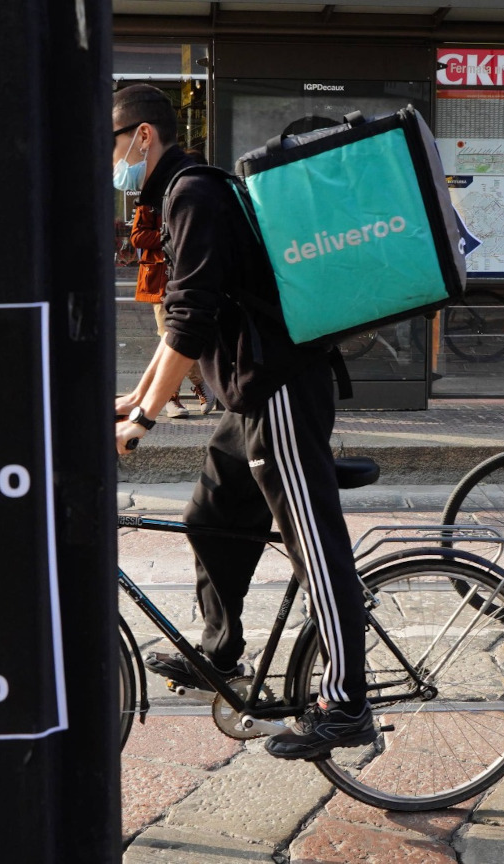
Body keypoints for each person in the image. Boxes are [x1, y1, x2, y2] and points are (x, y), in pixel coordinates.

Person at [110, 84, 375, 760]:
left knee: (317, 548)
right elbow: (179, 319)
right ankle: (220, 658)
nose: (108, 161)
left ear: (143, 137)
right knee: (210, 518)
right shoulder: (177, 195)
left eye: (111, 143)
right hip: (249, 398)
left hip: (280, 389)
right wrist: (134, 399)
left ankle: (346, 705)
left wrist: (145, 416)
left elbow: (191, 322)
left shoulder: (193, 195)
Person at [127, 145, 215, 417]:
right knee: (170, 334)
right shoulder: (151, 199)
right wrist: (169, 235)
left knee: (181, 334)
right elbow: (138, 237)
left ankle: (178, 393)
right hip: (161, 278)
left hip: (189, 275)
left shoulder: (199, 199)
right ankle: (183, 392)